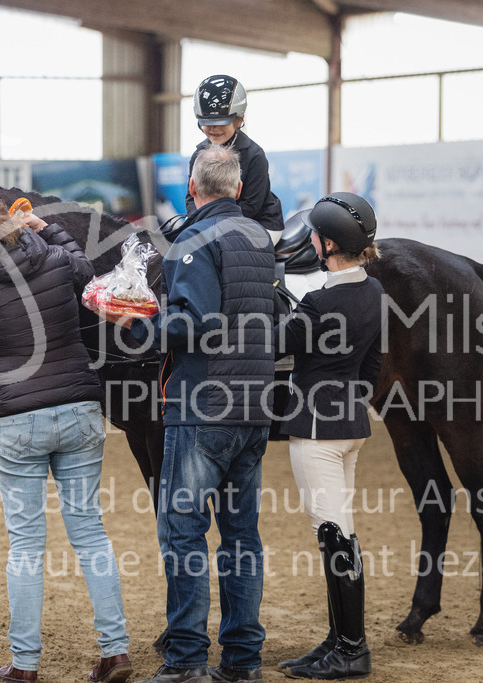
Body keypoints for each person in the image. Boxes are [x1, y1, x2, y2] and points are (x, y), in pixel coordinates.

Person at [0, 196, 132, 683]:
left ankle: (25, 665)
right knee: (90, 532)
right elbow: (87, 267)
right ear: (15, 222)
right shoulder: (54, 257)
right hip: (78, 407)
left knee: (26, 545)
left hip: (16, 418)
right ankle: (115, 652)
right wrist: (45, 227)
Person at [113, 146, 276, 683]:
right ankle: (242, 661)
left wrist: (140, 328)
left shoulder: (191, 240)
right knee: (241, 537)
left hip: (203, 406)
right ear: (235, 187)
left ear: (194, 187)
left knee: (182, 534)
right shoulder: (257, 239)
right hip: (254, 407)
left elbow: (196, 322)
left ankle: (185, 661)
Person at [272, 193, 383, 680]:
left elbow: (277, 342)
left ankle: (352, 649)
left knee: (332, 532)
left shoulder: (320, 301)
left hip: (317, 431)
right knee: (341, 529)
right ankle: (340, 638)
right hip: (351, 426)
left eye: (315, 236)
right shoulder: (374, 292)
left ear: (328, 244)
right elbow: (374, 366)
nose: (310, 241)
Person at [185, 74, 284, 241]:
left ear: (239, 120)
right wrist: (199, 221)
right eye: (207, 122)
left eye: (221, 122)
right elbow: (191, 198)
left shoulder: (255, 155)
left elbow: (251, 206)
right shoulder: (197, 155)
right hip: (211, 221)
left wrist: (213, 224)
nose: (213, 129)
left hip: (259, 222)